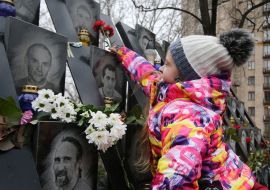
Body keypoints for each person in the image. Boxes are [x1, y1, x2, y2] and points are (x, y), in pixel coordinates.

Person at [110, 29, 268, 189]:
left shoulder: (190, 117)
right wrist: (123, 53)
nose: (162, 68)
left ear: (185, 76)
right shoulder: (167, 91)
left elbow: (177, 176)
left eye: (168, 64)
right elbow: (146, 73)